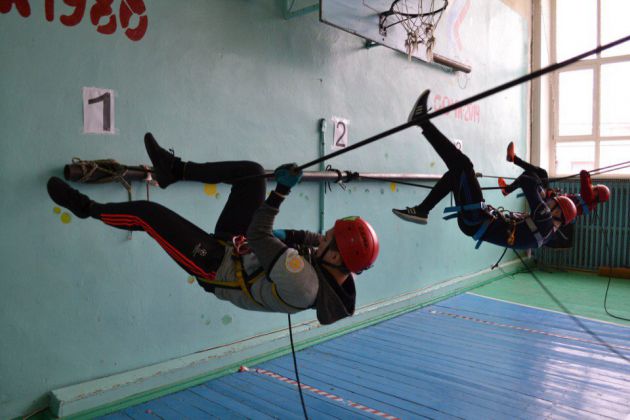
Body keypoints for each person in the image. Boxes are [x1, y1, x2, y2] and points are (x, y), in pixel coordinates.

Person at [47, 133, 379, 325]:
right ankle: (174, 170)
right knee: (251, 174)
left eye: (330, 238)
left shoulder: (305, 285)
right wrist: (287, 236)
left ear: (335, 256)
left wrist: (281, 191)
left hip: (217, 268)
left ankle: (86, 208)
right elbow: (309, 239)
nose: (323, 237)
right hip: (238, 249)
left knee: (148, 215)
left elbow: (259, 235)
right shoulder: (337, 265)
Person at [392, 90, 577, 250]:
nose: (549, 203)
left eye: (553, 202)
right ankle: (422, 210)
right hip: (475, 222)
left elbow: (528, 181)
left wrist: (542, 191)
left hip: (477, 219)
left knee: (464, 165)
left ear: (558, 212)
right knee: (456, 173)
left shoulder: (545, 219)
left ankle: (423, 121)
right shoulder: (546, 234)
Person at [499, 142, 610, 218]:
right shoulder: (589, 202)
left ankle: (507, 188)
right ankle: (513, 160)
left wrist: (588, 178)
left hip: (549, 203)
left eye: (595, 188)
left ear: (597, 194)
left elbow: (584, 175)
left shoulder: (589, 199)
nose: (593, 187)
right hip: (552, 199)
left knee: (531, 175)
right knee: (541, 173)